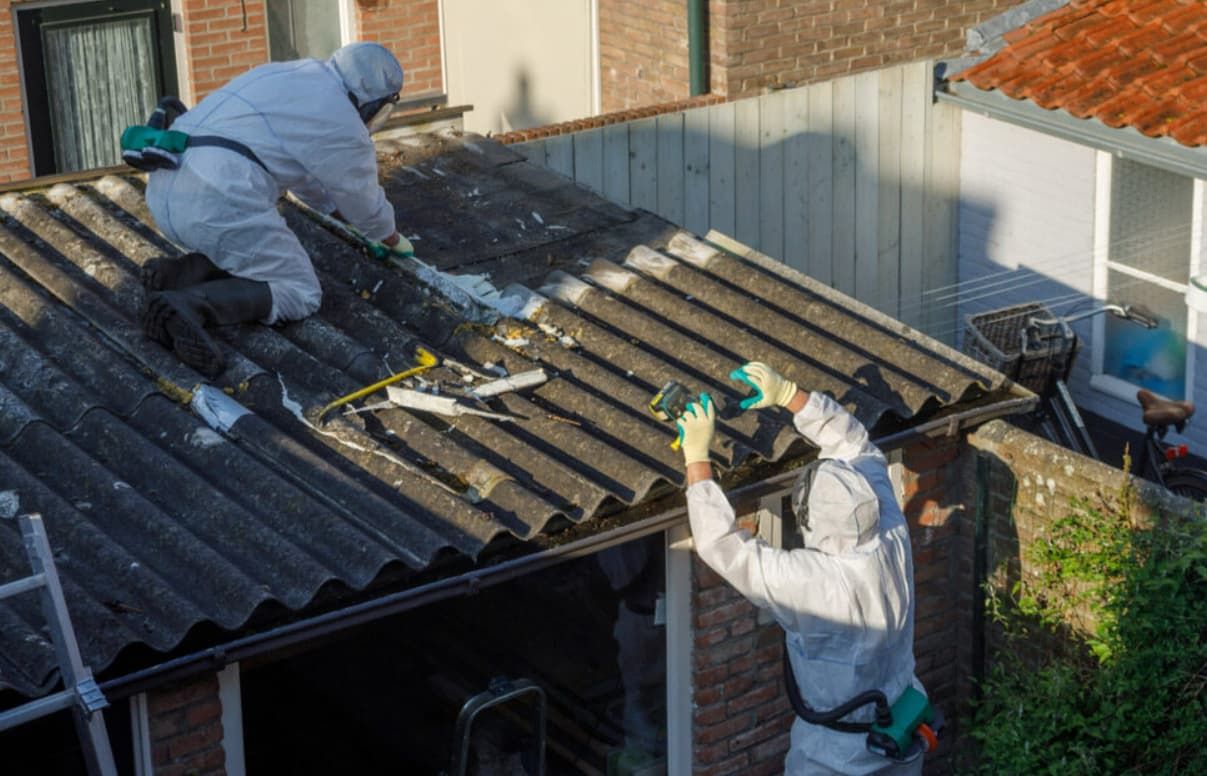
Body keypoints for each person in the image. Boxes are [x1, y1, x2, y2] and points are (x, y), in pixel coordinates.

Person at [676, 361, 926, 775]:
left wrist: (697, 457)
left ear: (809, 523)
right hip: (902, 729)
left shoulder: (811, 582)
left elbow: (721, 545)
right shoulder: (891, 533)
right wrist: (790, 394)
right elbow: (858, 447)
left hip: (835, 756)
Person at [139, 41, 412, 378]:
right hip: (218, 199)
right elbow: (360, 195)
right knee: (301, 291)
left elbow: (307, 176)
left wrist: (337, 213)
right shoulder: (340, 118)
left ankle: (181, 273)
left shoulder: (286, 74)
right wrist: (390, 237)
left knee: (251, 249)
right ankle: (192, 306)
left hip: (165, 186)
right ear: (373, 101)